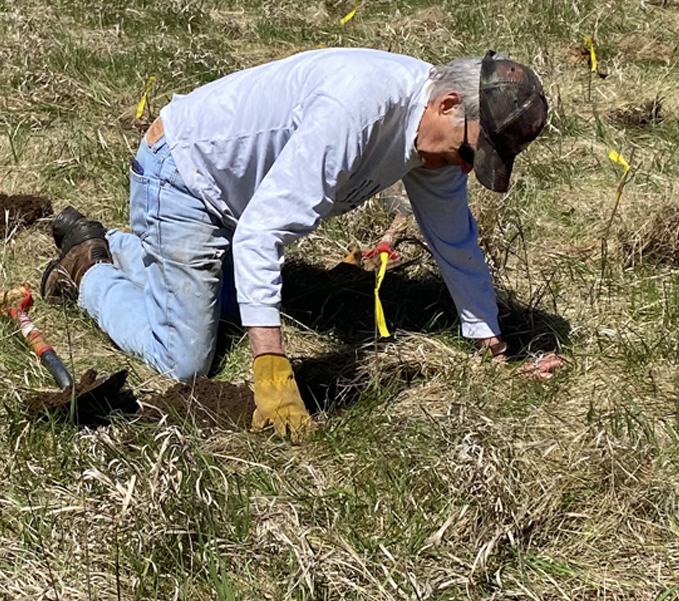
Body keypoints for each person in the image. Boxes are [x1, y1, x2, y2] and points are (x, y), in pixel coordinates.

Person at [41, 48, 560, 437]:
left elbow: (455, 241)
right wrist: (271, 370)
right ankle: (87, 268)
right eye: (469, 153)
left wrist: (488, 337)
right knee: (186, 358)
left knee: (232, 306)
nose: (465, 169)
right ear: (449, 104)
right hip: (183, 178)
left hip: (237, 203)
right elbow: (260, 237)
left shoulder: (435, 135)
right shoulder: (358, 111)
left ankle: (123, 243)